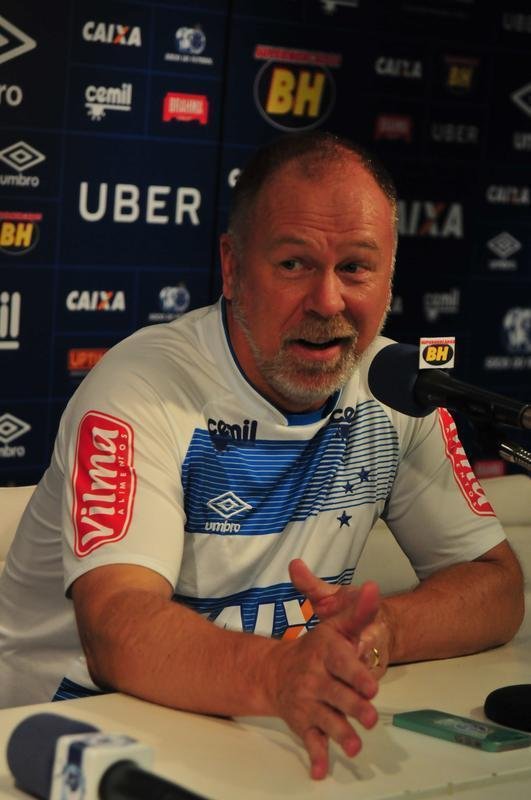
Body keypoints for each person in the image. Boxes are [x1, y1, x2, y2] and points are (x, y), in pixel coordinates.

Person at [0, 131, 523, 780]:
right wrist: (279, 673)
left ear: (390, 274)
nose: (327, 302)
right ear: (232, 266)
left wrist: (386, 628)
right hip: (67, 744)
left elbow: (496, 586)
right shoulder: (141, 388)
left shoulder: (397, 387)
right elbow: (117, 628)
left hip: (252, 733)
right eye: (294, 264)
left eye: (355, 267)